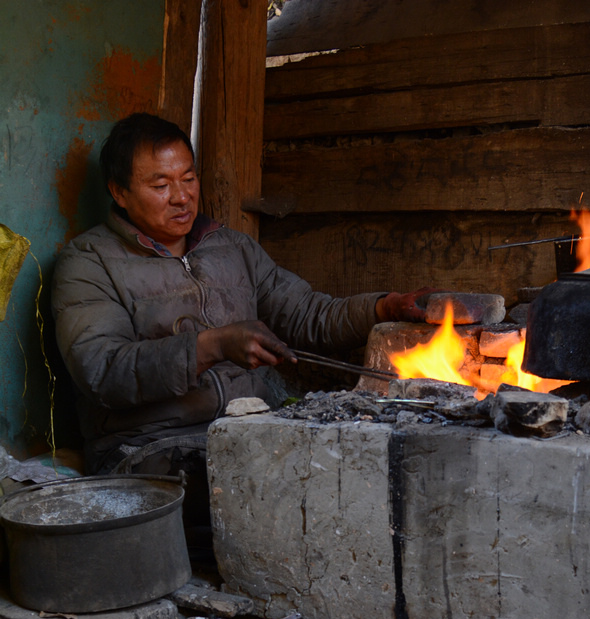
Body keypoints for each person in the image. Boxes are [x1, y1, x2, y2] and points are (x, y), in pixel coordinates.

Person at [52, 113, 433, 476]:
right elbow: (103, 370)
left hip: (246, 431)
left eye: (188, 178)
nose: (181, 197)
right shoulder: (88, 263)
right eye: (160, 185)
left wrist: (381, 306)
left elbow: (304, 313)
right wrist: (211, 346)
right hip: (146, 448)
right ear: (119, 192)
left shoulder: (232, 248)